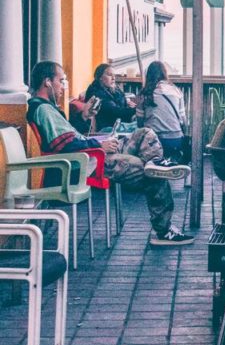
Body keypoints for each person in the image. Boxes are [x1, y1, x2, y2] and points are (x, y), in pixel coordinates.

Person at [27, 61, 193, 246]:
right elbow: (64, 145)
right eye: (61, 80)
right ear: (47, 82)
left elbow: (72, 136)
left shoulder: (47, 108)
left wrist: (84, 116)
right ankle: (164, 231)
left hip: (91, 153)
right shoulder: (43, 109)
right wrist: (99, 146)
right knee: (149, 172)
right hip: (85, 163)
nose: (63, 86)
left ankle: (156, 162)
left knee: (145, 133)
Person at [136, 61, 186, 164]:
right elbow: (184, 122)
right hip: (176, 140)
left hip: (155, 142)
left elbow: (140, 124)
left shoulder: (144, 94)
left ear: (148, 75)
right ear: (165, 74)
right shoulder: (176, 91)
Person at [86, 63, 136, 132]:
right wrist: (137, 110)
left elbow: (121, 102)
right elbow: (116, 112)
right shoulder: (97, 93)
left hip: (117, 124)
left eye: (114, 75)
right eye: (109, 75)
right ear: (100, 77)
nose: (113, 78)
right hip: (107, 129)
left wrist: (128, 105)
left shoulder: (110, 89)